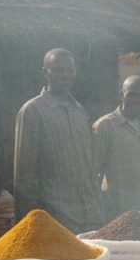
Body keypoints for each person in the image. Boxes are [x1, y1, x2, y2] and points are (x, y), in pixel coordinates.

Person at [14, 49, 102, 232]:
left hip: (90, 217)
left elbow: (89, 166)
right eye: (58, 70)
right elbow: (25, 176)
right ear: (45, 73)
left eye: (70, 70)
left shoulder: (78, 110)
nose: (65, 75)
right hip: (56, 221)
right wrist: (32, 224)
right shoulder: (33, 111)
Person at [93, 76, 140, 219]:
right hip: (116, 213)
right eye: (131, 94)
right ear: (121, 94)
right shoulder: (105, 126)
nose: (136, 100)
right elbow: (94, 173)